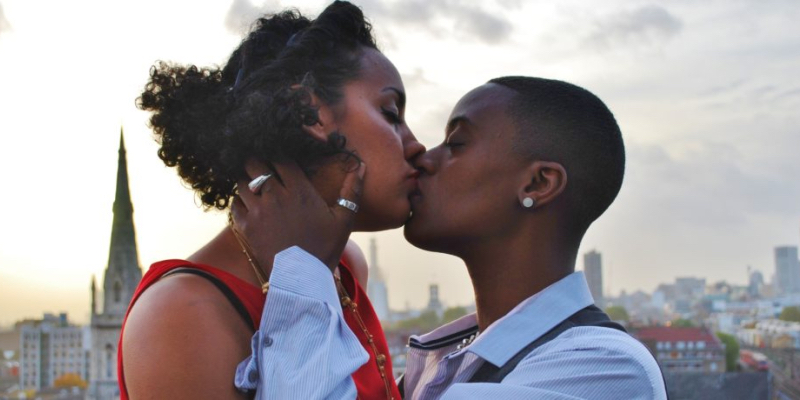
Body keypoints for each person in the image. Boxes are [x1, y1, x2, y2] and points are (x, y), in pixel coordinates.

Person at [233, 77, 668, 399]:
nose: (423, 154)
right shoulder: (442, 361)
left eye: (456, 143)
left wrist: (301, 268)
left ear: (537, 184)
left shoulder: (602, 369)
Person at [120, 2, 423, 399]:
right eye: (391, 113)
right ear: (312, 114)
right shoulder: (184, 314)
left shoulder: (345, 265)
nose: (416, 146)